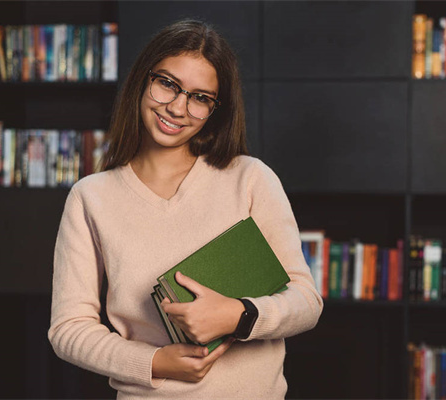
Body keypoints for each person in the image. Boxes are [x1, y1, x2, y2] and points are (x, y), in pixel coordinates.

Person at [48, 19, 323, 399]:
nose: (178, 107)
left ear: (215, 110)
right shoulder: (90, 197)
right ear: (143, 80)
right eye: (167, 83)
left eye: (200, 97)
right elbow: (68, 329)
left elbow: (307, 302)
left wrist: (239, 316)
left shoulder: (250, 178)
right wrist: (155, 362)